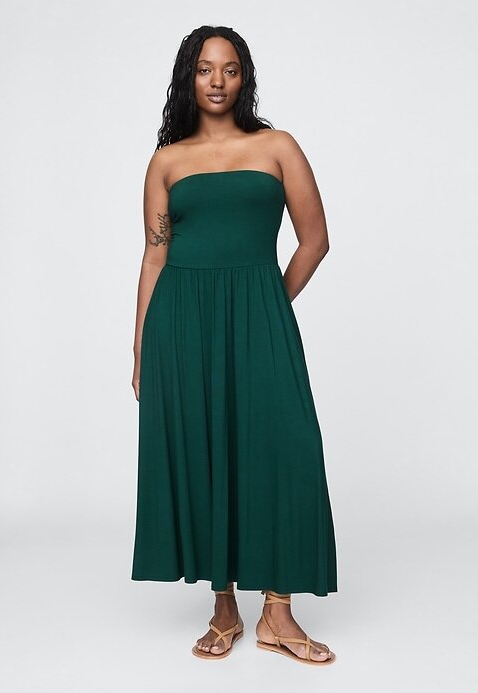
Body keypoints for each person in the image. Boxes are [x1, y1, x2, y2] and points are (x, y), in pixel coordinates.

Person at [131, 25, 337, 665]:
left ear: (245, 77)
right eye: (204, 69)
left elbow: (315, 239)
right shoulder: (167, 161)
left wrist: (269, 303)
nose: (217, 81)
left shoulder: (277, 146)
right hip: (181, 323)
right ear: (187, 78)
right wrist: (141, 350)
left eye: (229, 68)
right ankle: (224, 608)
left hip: (257, 314)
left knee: (287, 448)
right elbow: (154, 256)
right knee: (207, 449)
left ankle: (278, 612)